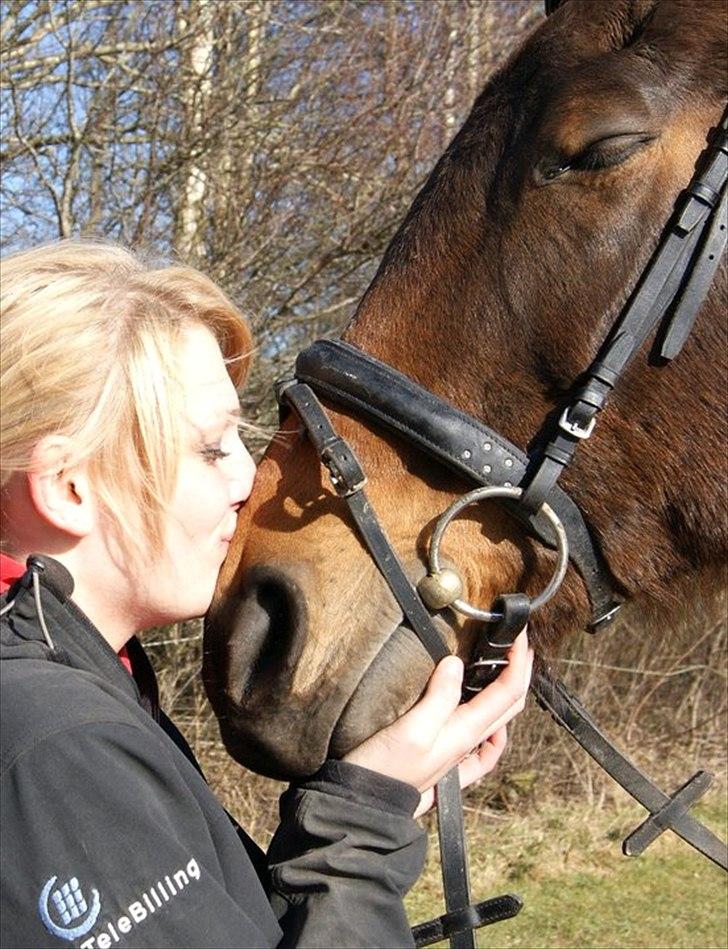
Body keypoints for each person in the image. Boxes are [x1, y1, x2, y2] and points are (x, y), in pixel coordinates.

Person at [0, 240, 533, 949]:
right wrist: (358, 835)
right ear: (67, 487)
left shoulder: (81, 682)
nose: (248, 479)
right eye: (212, 447)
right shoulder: (52, 744)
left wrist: (377, 795)